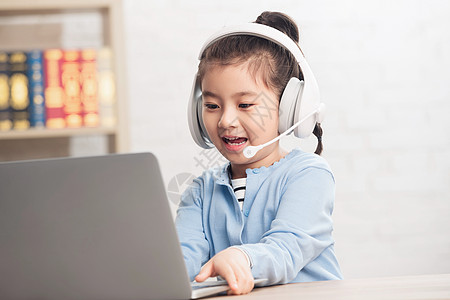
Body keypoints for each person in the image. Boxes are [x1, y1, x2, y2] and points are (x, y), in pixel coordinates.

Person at [176, 11, 342, 295]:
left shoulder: (308, 175)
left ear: (290, 108)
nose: (226, 121)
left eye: (245, 105)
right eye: (212, 106)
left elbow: (287, 248)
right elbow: (184, 257)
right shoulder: (201, 190)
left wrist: (242, 257)